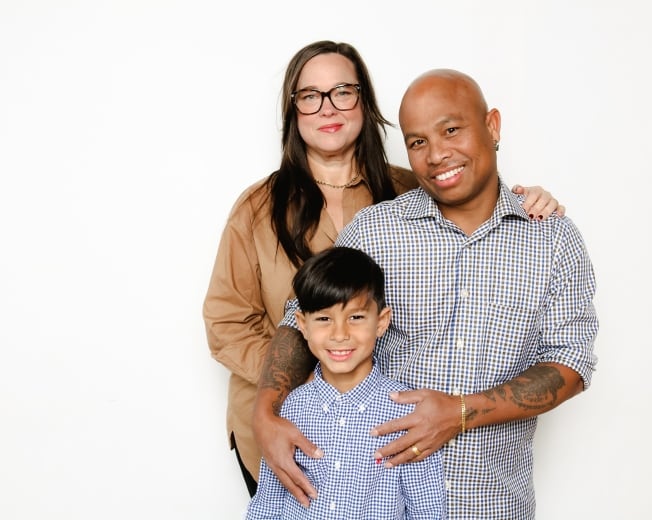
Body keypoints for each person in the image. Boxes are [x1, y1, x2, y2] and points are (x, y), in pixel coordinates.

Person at [203, 40, 564, 497]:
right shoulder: (257, 207)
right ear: (292, 111)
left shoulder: (413, 187)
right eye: (309, 96)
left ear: (365, 101)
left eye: (343, 92)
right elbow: (227, 322)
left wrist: (529, 200)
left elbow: (476, 203)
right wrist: (314, 380)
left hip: (384, 440)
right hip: (283, 429)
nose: (327, 107)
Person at [245, 246, 446, 519]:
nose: (340, 334)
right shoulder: (291, 407)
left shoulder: (407, 413)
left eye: (356, 317)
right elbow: (268, 504)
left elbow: (428, 512)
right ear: (303, 325)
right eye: (324, 319)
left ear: (381, 322)